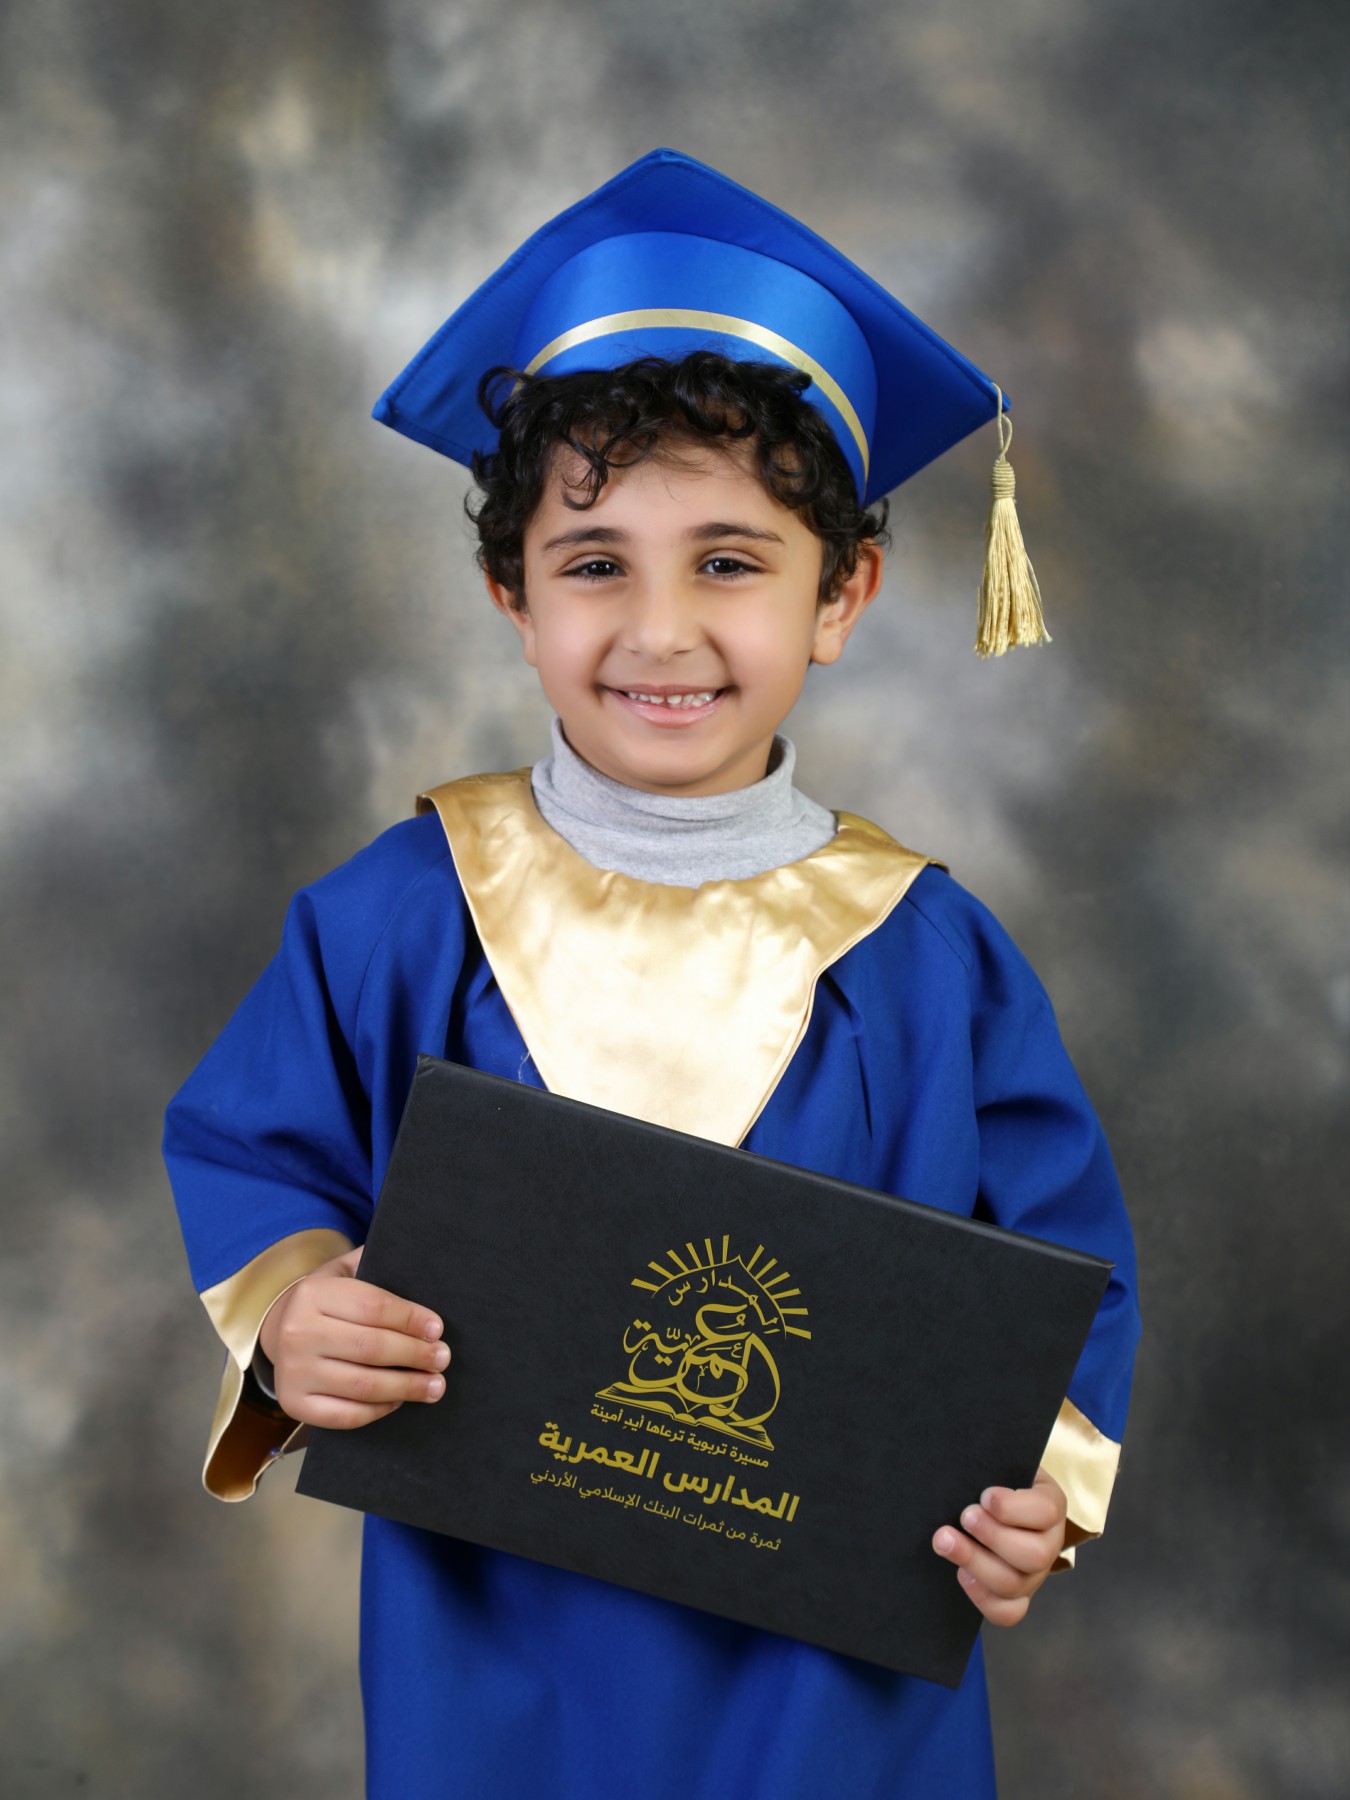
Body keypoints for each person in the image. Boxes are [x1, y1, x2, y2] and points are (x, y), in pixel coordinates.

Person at [164, 148, 1139, 1798]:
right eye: (595, 561)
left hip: (835, 1679)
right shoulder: (403, 911)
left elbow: (1060, 1271)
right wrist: (294, 1313)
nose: (661, 630)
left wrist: (1034, 1487)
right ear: (512, 593)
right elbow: (257, 1153)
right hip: (497, 1647)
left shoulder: (926, 954)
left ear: (842, 594)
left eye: (730, 561)